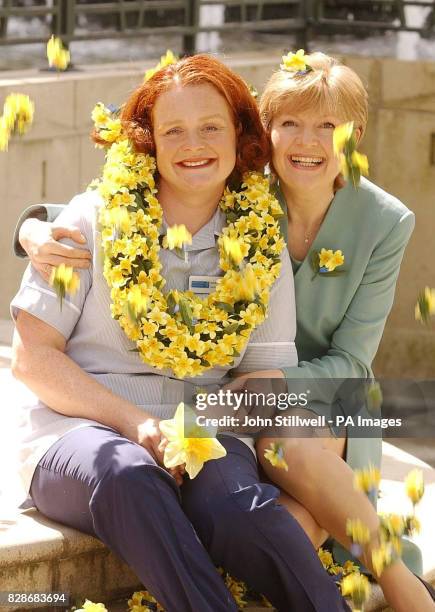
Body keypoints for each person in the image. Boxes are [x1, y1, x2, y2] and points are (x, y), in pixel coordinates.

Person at [10, 54, 350, 612]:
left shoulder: (260, 239)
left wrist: (196, 429)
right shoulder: (87, 221)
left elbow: (261, 377)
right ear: (149, 141)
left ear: (240, 135)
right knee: (129, 476)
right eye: (174, 130)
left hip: (206, 435)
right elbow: (31, 359)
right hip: (78, 434)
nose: (194, 144)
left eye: (211, 127)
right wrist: (139, 426)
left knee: (239, 506)